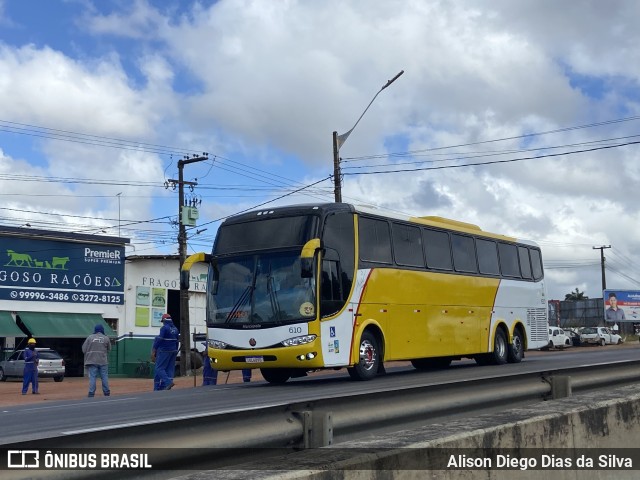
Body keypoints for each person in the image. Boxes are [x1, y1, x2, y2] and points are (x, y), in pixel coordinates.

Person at [151, 313, 179, 391]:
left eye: (162, 321)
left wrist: (154, 349)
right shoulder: (176, 329)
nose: (162, 322)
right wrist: (176, 350)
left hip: (164, 350)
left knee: (159, 368)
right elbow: (177, 341)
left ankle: (168, 382)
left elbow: (160, 339)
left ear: (164, 320)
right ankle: (167, 385)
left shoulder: (164, 328)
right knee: (169, 368)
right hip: (173, 350)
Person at [82, 324, 111, 397]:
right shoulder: (106, 338)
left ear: (95, 330)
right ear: (102, 330)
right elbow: (109, 349)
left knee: (92, 377)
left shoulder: (90, 337)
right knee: (104, 377)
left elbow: (83, 349)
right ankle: (106, 392)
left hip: (92, 361)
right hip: (103, 361)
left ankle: (91, 393)